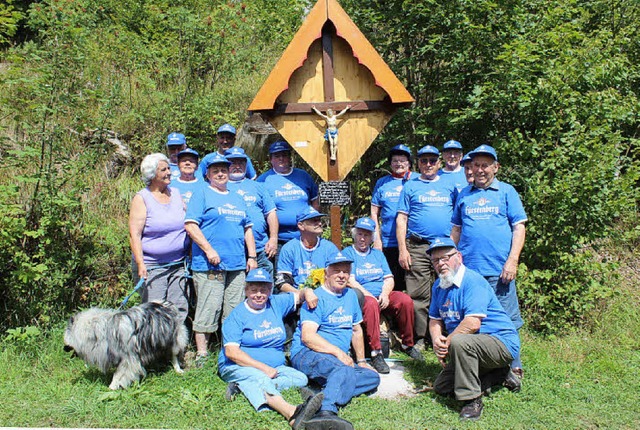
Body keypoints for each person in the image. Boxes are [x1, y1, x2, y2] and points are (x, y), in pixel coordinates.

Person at [451, 144, 527, 376]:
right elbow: (456, 229)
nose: (480, 169)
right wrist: (451, 260)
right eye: (476, 165)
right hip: (470, 273)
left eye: (485, 165)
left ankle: (514, 365)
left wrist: (512, 260)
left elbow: (519, 227)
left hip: (499, 270)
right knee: (471, 318)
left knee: (507, 319)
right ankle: (479, 366)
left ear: (496, 168)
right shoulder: (464, 194)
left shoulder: (506, 192)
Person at [427, 237, 521, 421]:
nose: (441, 263)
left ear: (459, 257)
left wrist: (449, 343)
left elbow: (472, 324)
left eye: (445, 258)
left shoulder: (472, 281)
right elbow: (434, 320)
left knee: (460, 341)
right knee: (442, 387)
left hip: (500, 341)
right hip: (472, 345)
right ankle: (498, 374)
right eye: (436, 260)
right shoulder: (439, 286)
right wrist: (437, 340)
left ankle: (472, 400)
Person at [218, 268, 324, 429]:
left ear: (270, 290)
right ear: (246, 291)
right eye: (254, 290)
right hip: (237, 365)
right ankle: (292, 413)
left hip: (275, 367)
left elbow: (300, 295)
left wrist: (308, 291)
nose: (259, 294)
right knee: (259, 376)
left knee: (300, 378)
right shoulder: (237, 316)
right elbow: (232, 353)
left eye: (263, 290)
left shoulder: (275, 303)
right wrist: (263, 368)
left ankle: (243, 386)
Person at [290, 252, 380, 430]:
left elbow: (356, 330)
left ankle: (319, 396)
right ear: (326, 273)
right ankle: (326, 412)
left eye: (346, 271)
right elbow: (308, 337)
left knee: (372, 377)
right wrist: (339, 353)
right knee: (343, 369)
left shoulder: (351, 296)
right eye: (337, 271)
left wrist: (361, 361)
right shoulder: (316, 297)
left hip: (335, 359)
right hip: (308, 353)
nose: (342, 275)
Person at [185, 152, 258, 366]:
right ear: (207, 174)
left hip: (236, 264)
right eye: (215, 170)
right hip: (209, 265)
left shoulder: (237, 196)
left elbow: (248, 228)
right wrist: (209, 250)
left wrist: (251, 256)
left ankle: (230, 350)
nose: (220, 173)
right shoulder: (202, 193)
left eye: (224, 170)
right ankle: (202, 354)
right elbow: (191, 225)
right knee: (209, 306)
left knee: (234, 309)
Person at [341, 217, 423, 374]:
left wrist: (385, 294)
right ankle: (376, 352)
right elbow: (350, 281)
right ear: (354, 235)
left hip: (382, 294)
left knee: (404, 300)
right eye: (359, 234)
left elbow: (389, 278)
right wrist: (369, 295)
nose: (362, 238)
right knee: (371, 303)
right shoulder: (348, 253)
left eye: (366, 235)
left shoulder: (378, 255)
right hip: (361, 295)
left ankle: (408, 344)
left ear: (372, 237)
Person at [396, 145, 458, 349]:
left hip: (445, 247)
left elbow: (459, 218)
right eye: (424, 161)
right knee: (419, 293)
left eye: (432, 160)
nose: (429, 164)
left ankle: (448, 334)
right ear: (418, 164)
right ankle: (421, 337)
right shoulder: (410, 186)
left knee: (449, 288)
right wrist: (403, 250)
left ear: (439, 163)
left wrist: (456, 246)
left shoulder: (449, 185)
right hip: (418, 246)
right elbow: (401, 219)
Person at [128, 153, 190, 323]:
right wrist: (141, 264)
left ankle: (175, 347)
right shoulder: (142, 198)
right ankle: (153, 348)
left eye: (169, 168)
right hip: (152, 266)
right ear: (152, 175)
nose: (169, 172)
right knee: (154, 311)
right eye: (164, 169)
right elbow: (134, 234)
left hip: (178, 264)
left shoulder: (176, 194)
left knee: (178, 307)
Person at [257, 141, 319, 259]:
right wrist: (272, 237)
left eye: (284, 155)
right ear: (271, 159)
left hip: (305, 237)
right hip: (279, 240)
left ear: (289, 157)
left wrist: (313, 221)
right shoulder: (263, 180)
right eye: (277, 156)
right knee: (282, 275)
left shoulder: (303, 175)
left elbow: (315, 200)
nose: (281, 158)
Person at [370, 144, 418, 293]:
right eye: (395, 160)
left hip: (412, 241)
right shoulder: (382, 183)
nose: (399, 164)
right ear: (390, 163)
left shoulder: (417, 180)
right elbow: (374, 212)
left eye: (402, 160)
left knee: (414, 283)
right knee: (392, 282)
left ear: (409, 163)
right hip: (389, 242)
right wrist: (376, 239)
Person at [225, 147, 279, 277]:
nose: (237, 166)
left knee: (264, 291)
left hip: (261, 249)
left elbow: (271, 213)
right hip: (233, 252)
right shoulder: (218, 187)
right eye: (233, 162)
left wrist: (273, 238)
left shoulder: (258, 186)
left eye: (241, 162)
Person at [275, 207, 338, 303]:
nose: (320, 223)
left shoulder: (329, 248)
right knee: (281, 298)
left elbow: (337, 275)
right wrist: (302, 293)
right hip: (298, 293)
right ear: (301, 225)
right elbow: (282, 282)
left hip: (325, 293)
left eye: (319, 220)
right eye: (314, 221)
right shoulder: (289, 248)